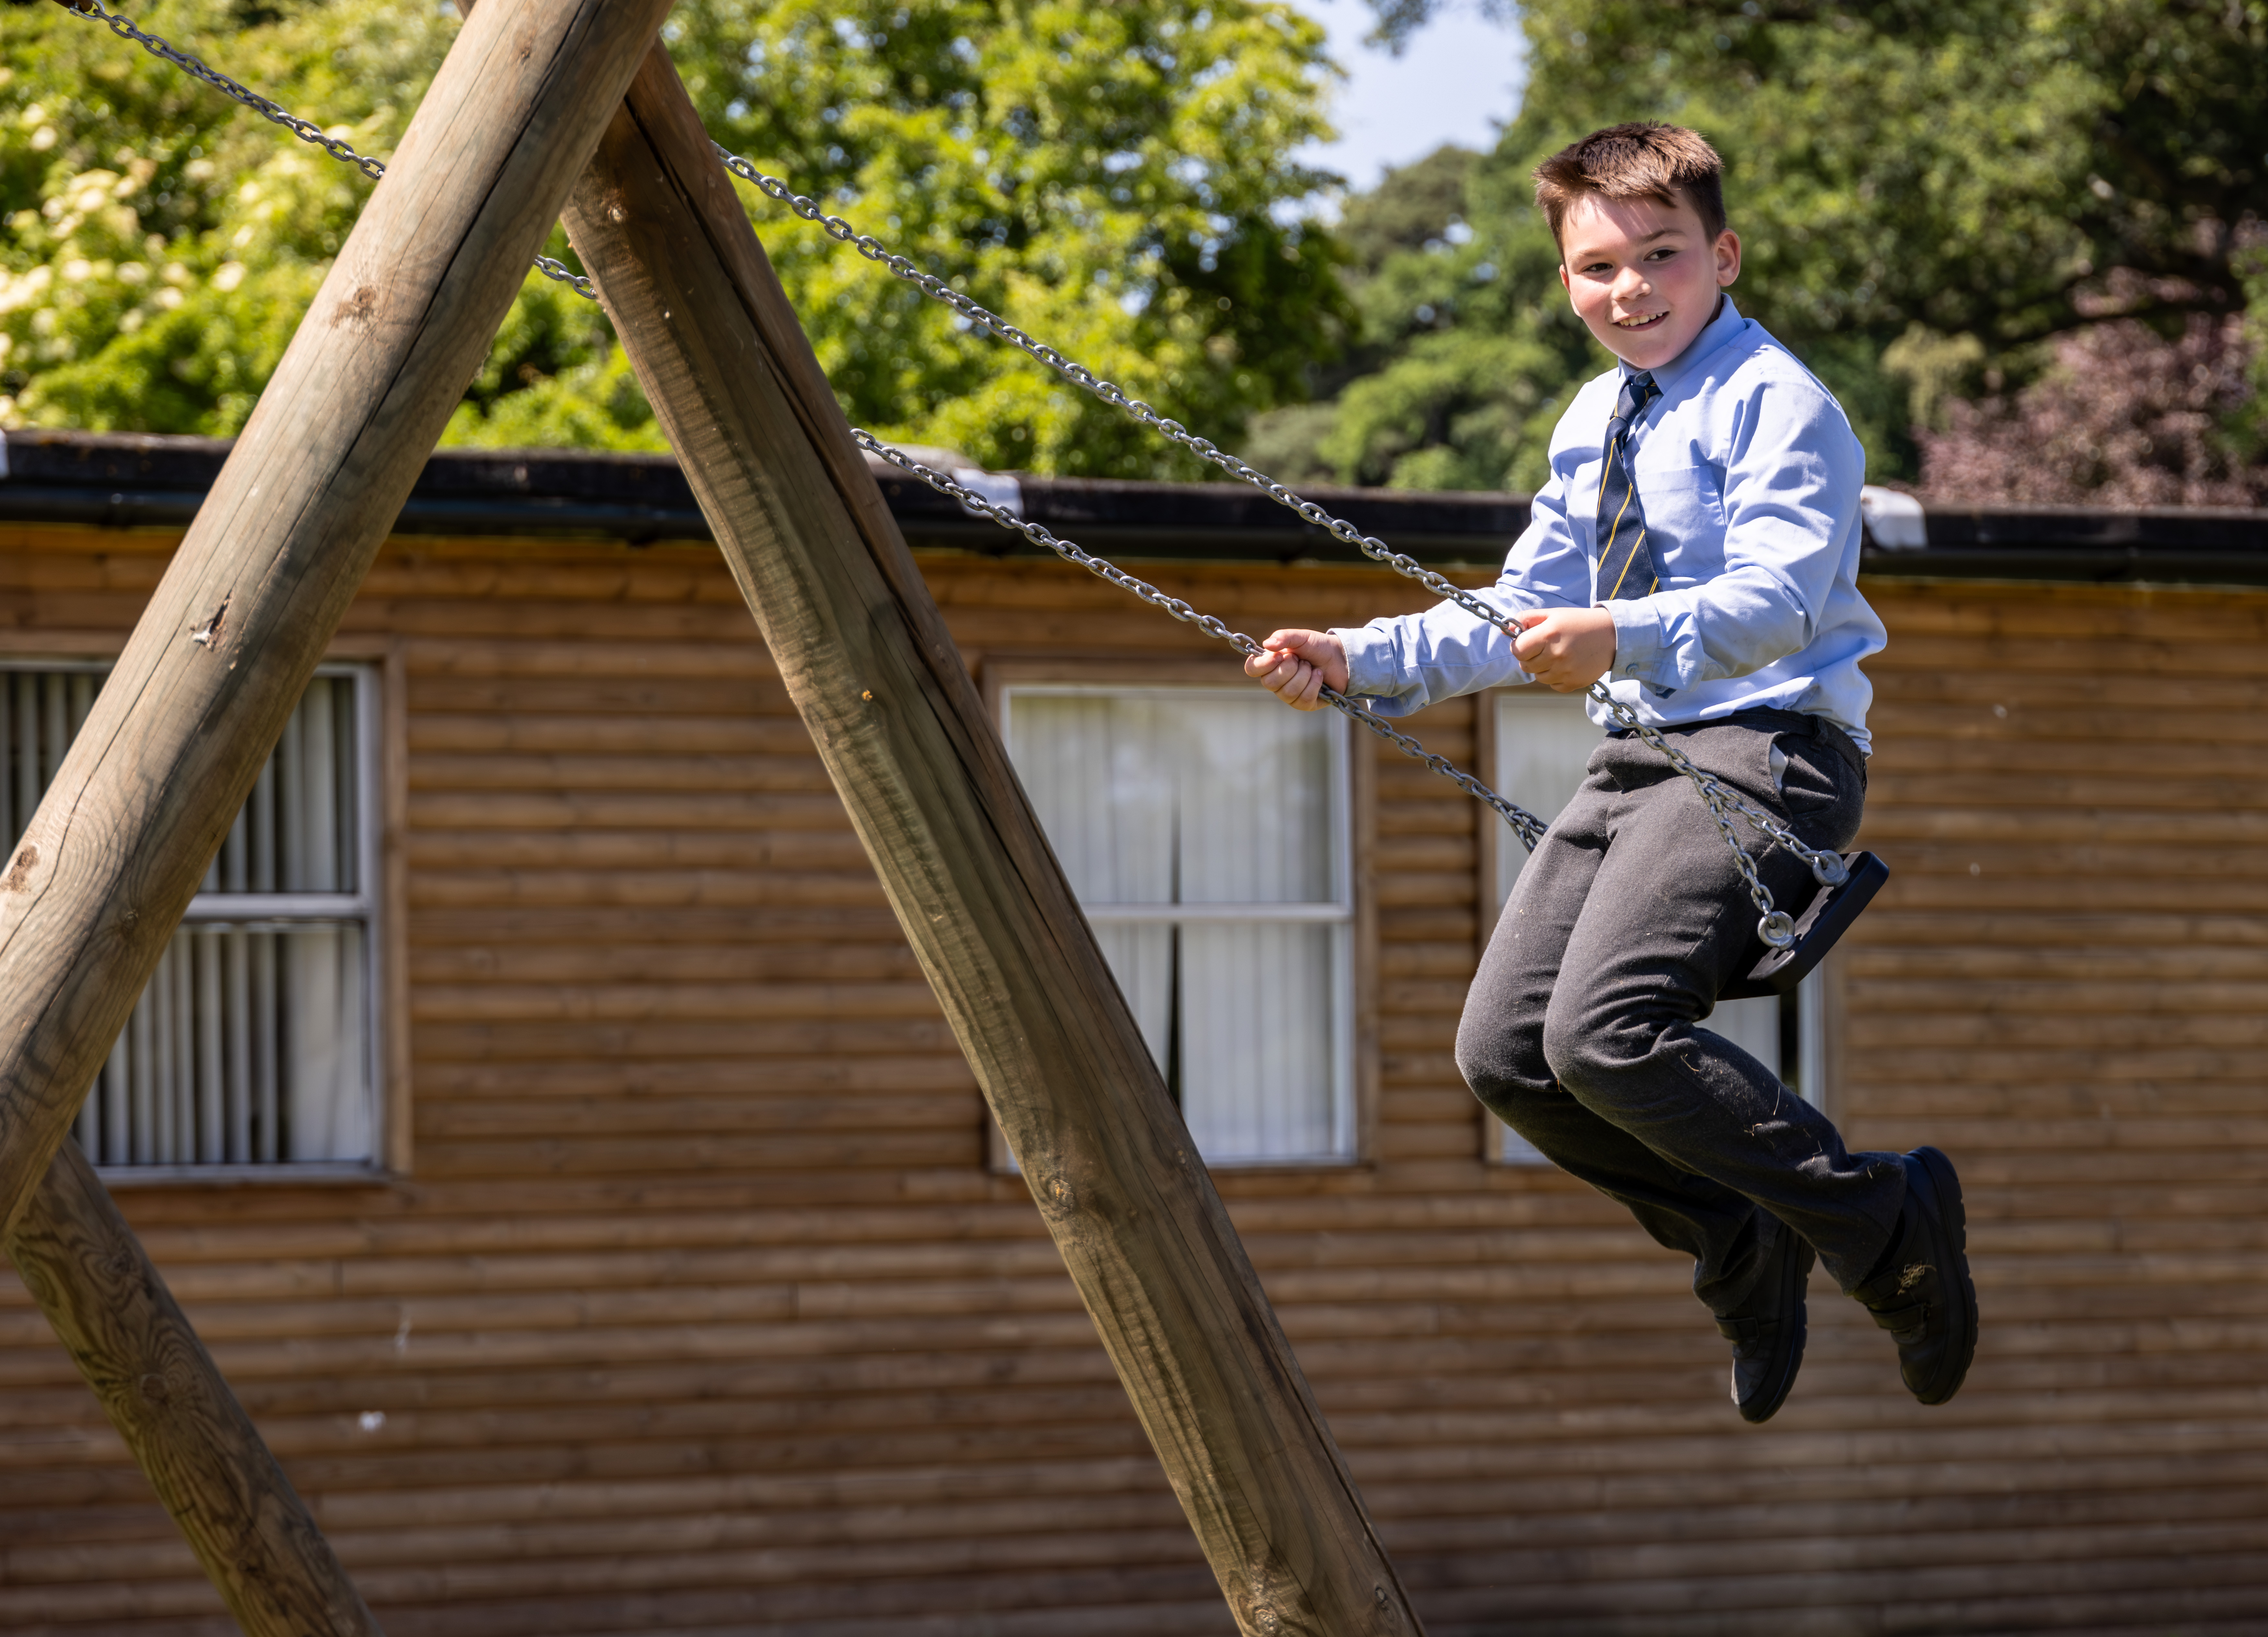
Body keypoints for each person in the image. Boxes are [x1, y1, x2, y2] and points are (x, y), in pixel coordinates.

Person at [1244, 121, 1976, 1422]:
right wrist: (1356, 656)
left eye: (1660, 256)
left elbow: (1780, 601)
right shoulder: (1595, 415)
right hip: (1638, 760)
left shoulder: (1778, 402)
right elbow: (1520, 610)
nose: (1629, 289)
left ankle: (1882, 1219)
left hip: (1769, 750)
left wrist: (1619, 633)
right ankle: (1736, 1235)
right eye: (1597, 267)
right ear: (1564, 280)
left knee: (1604, 1031)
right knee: (1505, 1056)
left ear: (1722, 257)